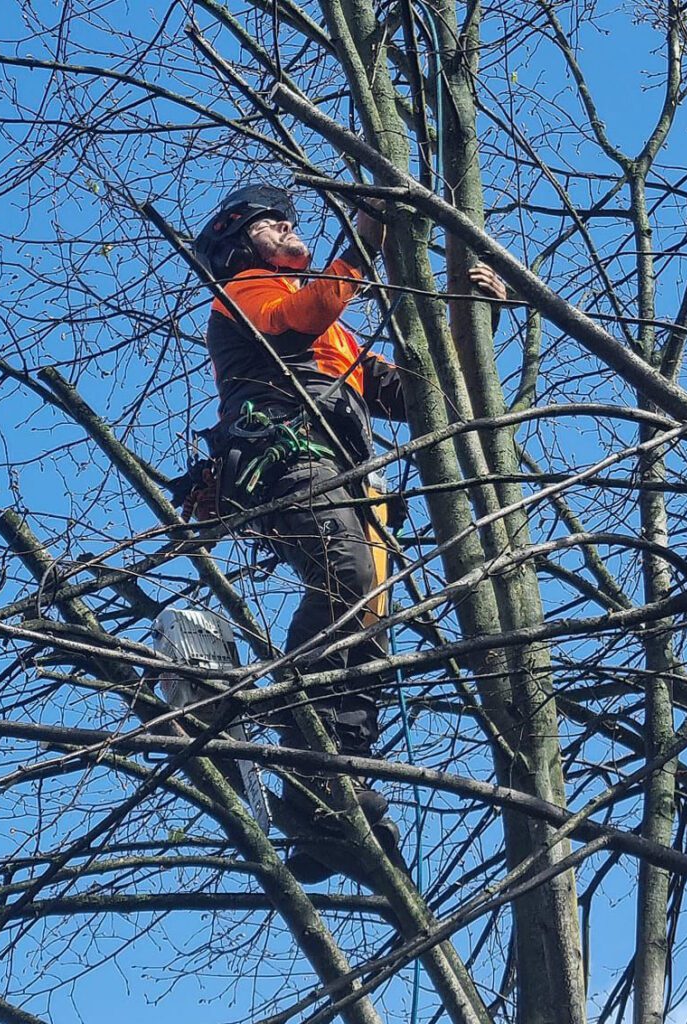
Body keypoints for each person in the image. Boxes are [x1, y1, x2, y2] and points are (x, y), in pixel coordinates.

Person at [191, 184, 505, 880]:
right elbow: (306, 313)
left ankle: (335, 797)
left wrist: (472, 313)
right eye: (272, 221)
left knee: (367, 626)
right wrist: (371, 231)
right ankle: (304, 749)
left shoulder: (339, 338)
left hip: (348, 481)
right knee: (346, 579)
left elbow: (426, 394)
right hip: (293, 459)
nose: (288, 223)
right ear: (241, 243)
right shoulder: (245, 292)